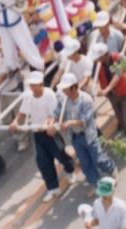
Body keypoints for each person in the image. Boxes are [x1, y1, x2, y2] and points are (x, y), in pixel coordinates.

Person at [11, 71, 76, 202]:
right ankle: (53, 188)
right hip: (37, 132)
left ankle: (70, 170)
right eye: (31, 85)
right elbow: (22, 113)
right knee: (43, 162)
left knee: (60, 154)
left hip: (50, 131)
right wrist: (15, 122)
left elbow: (54, 114)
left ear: (41, 84)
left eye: (35, 85)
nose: (33, 88)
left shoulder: (49, 95)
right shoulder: (28, 96)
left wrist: (49, 124)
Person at [57, 72, 116, 188]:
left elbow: (85, 120)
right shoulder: (65, 100)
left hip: (88, 135)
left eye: (65, 89)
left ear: (73, 88)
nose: (63, 91)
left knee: (98, 158)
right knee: (85, 163)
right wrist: (52, 121)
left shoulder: (86, 100)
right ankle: (97, 184)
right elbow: (57, 112)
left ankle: (112, 169)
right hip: (75, 136)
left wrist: (69, 123)